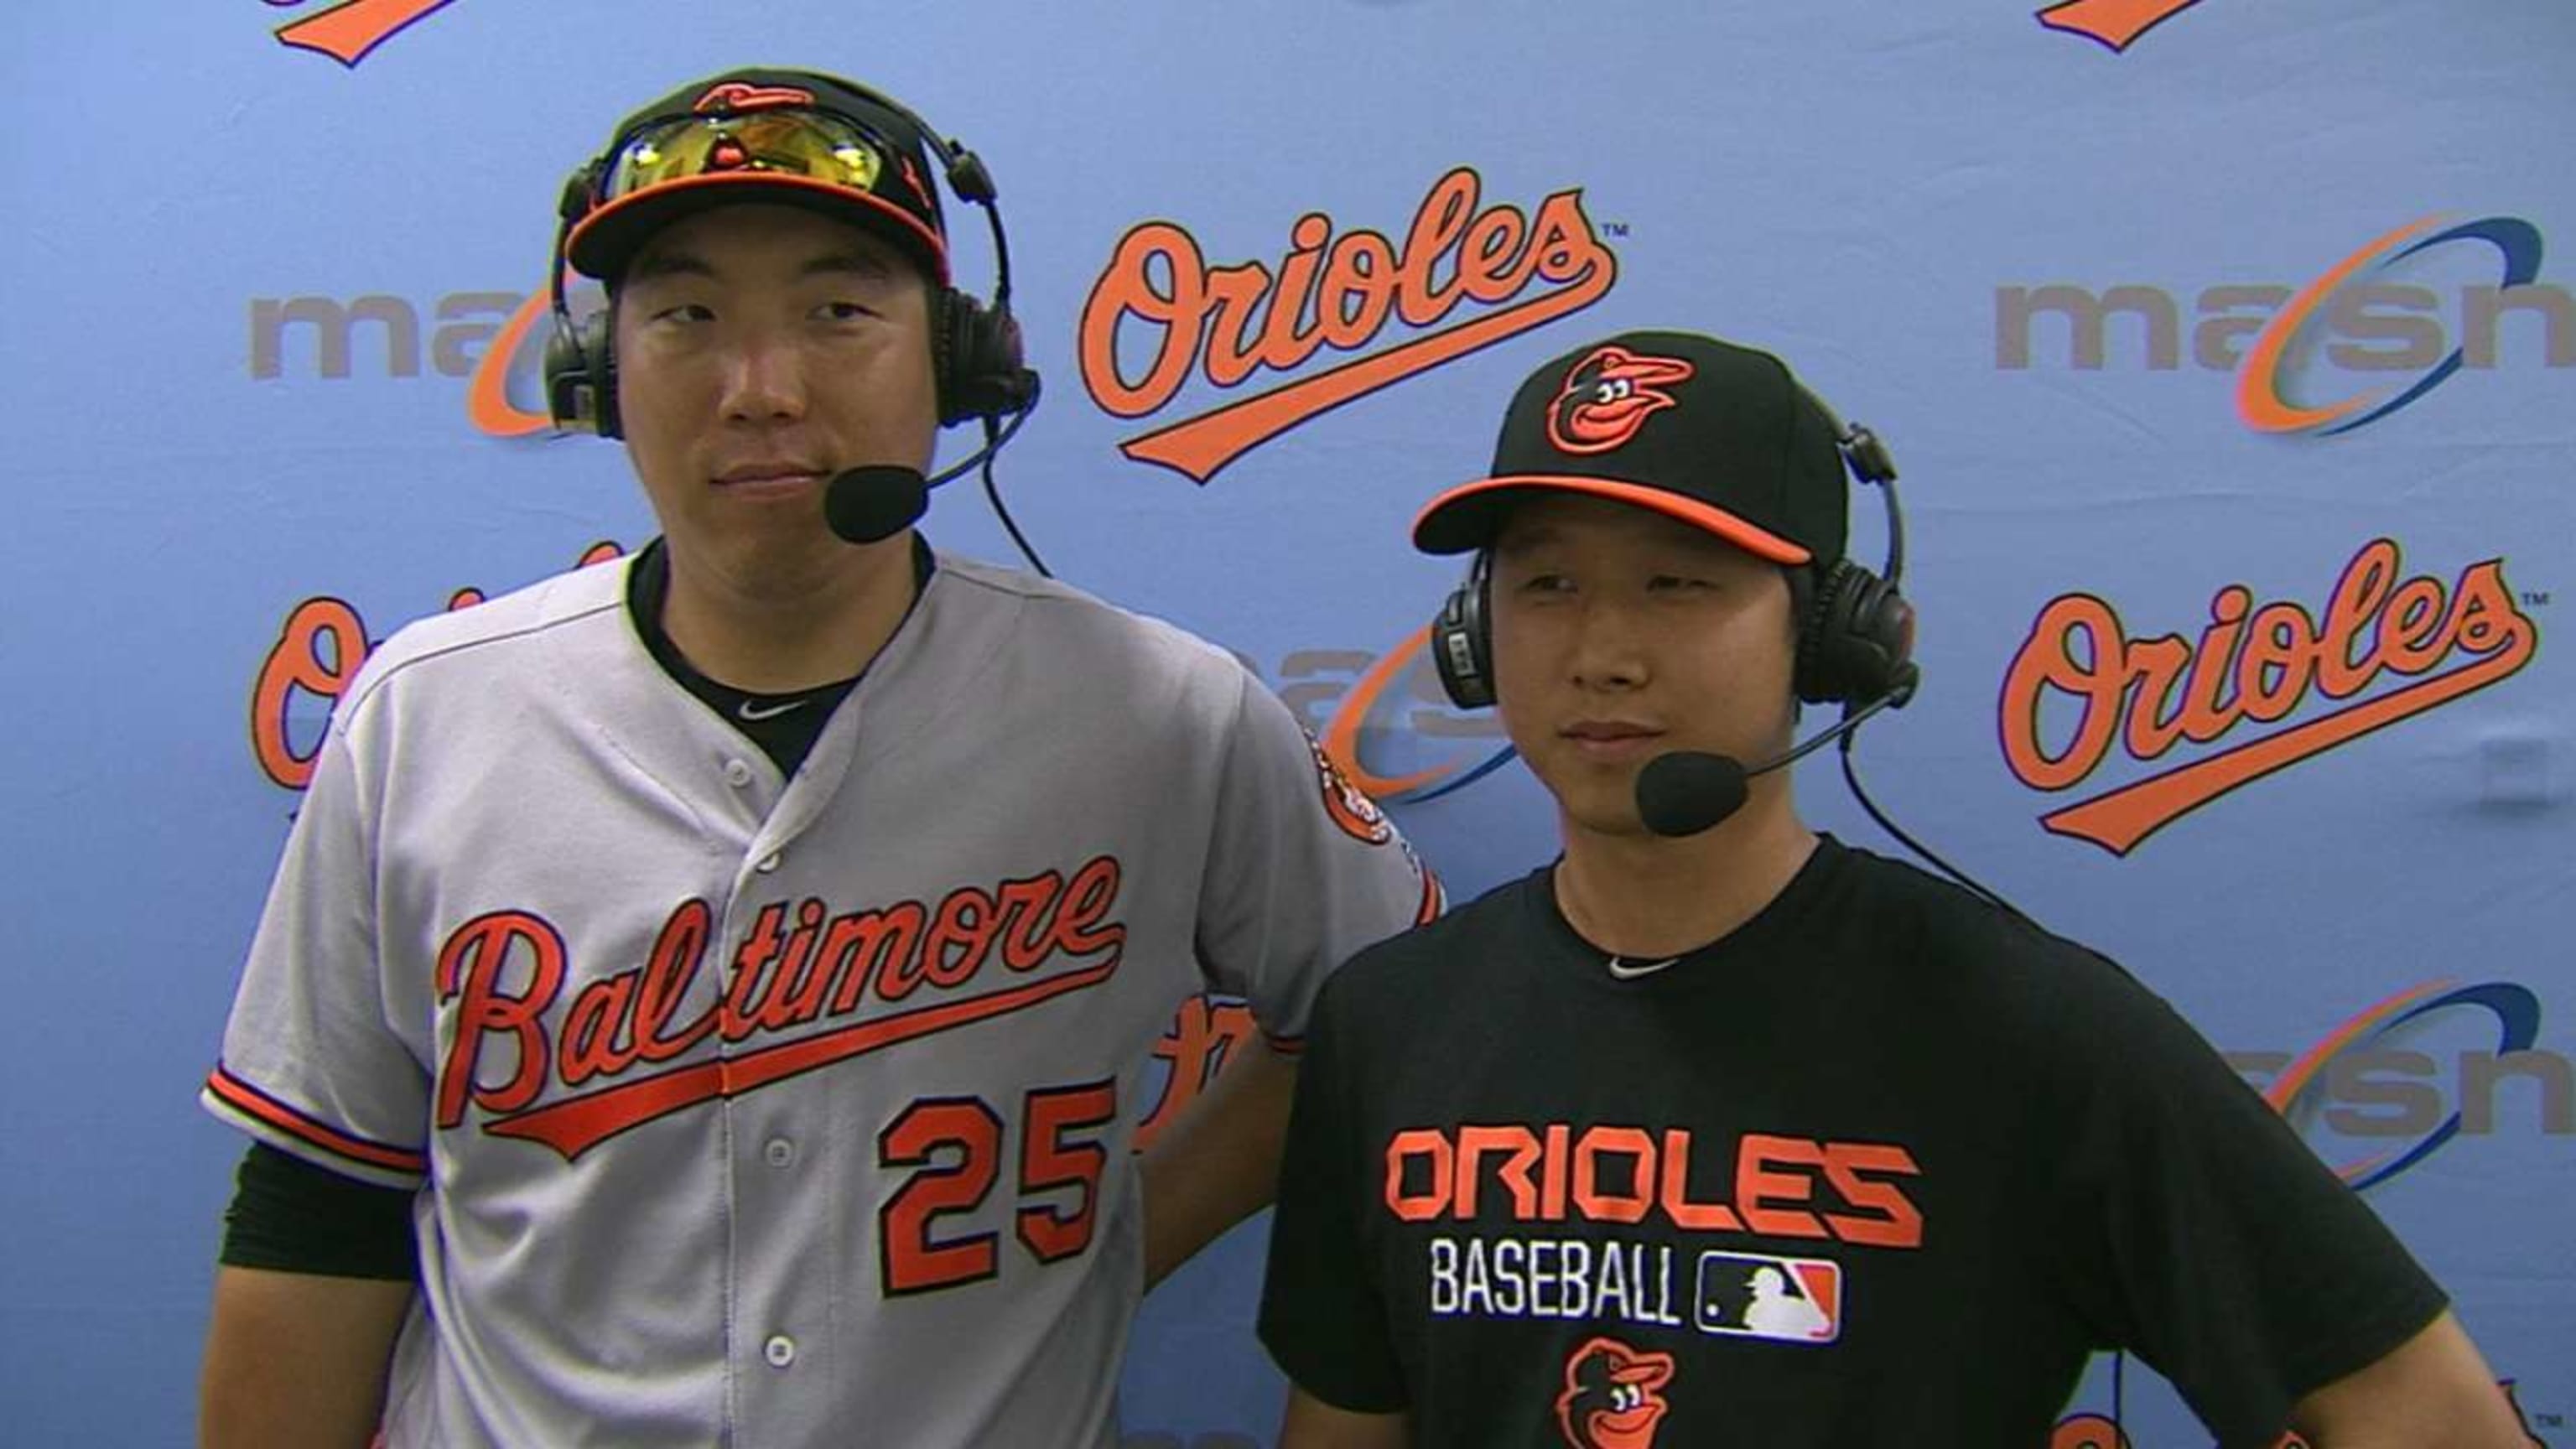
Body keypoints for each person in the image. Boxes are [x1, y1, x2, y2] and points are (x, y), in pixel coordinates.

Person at [196, 65, 1436, 1449]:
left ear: (957, 363)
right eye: (687, 317)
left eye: (838, 312)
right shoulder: (430, 717)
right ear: (601, 373)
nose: (761, 390)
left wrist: (1116, 1237)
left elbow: (1393, 1019)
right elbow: (325, 1200)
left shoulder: (1158, 714)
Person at [1255, 330, 2532, 1447]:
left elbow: (2429, 1416)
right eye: (1547, 585)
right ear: (1477, 637)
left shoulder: (2019, 1028)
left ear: (1828, 636)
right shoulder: (1393, 1024)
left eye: (1678, 583)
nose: (1601, 652)